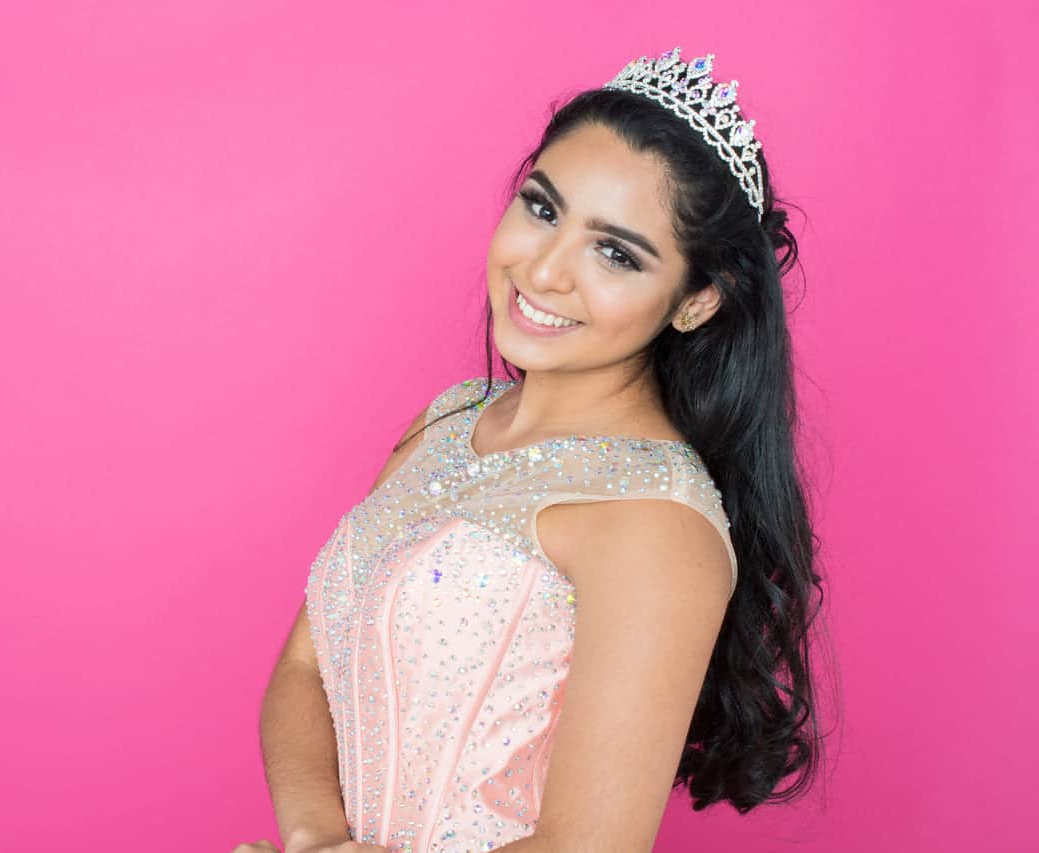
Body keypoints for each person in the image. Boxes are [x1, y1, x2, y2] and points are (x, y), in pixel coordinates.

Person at [240, 45, 829, 853]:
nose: (546, 270)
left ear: (695, 302)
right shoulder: (444, 423)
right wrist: (315, 839)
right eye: (543, 208)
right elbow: (305, 668)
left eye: (615, 253)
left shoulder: (656, 522)